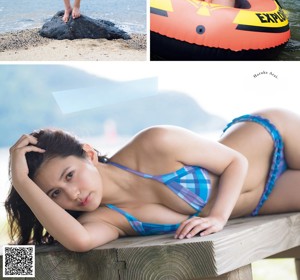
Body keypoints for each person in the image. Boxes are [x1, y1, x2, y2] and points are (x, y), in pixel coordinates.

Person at [5, 108, 300, 252]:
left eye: (69, 175)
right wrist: (21, 181)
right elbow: (80, 242)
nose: (72, 194)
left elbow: (236, 161)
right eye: (54, 194)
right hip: (264, 199)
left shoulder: (153, 142)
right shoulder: (105, 220)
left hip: (272, 138)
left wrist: (219, 218)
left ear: (89, 153)